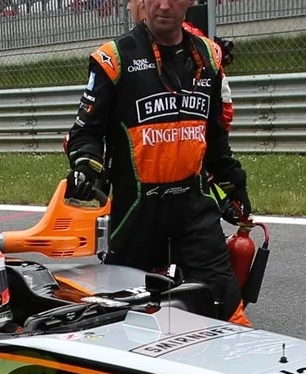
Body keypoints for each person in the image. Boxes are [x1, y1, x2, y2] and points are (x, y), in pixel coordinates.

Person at [66, 0, 250, 322]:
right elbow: (85, 132)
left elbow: (216, 138)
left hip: (193, 207)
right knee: (122, 316)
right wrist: (86, 165)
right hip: (137, 211)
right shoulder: (113, 59)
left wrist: (232, 183)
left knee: (226, 303)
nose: (163, 6)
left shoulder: (208, 56)